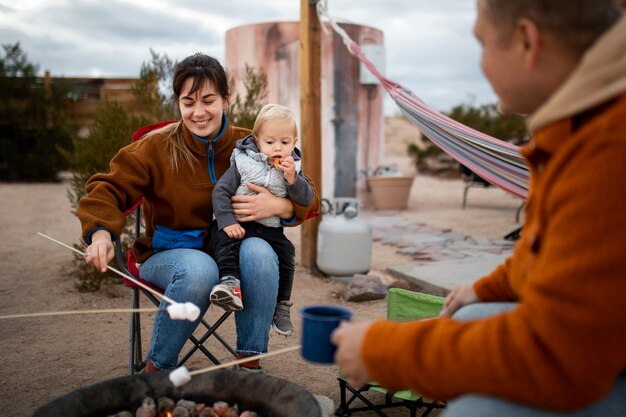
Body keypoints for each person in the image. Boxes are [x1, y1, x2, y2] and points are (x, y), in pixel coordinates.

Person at [332, 1, 626, 416]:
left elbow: (557, 356)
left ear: (527, 41)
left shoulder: (608, 148)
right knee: (474, 315)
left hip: (587, 362)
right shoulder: (579, 124)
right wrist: (479, 289)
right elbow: (547, 254)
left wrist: (382, 350)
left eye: (483, 43)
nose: (481, 63)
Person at [77, 53, 319, 372]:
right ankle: (157, 372)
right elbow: (106, 189)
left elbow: (310, 192)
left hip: (230, 252)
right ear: (178, 103)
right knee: (200, 270)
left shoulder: (252, 144)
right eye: (188, 101)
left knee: (260, 252)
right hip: (170, 255)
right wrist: (101, 233)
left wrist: (282, 205)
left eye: (208, 100)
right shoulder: (156, 147)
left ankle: (249, 365)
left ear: (225, 100)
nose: (199, 112)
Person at [209, 103, 313, 337]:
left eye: (285, 143)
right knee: (223, 237)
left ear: (294, 142)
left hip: (269, 227)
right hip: (238, 222)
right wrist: (227, 221)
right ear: (257, 140)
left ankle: (282, 306)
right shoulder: (243, 161)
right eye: (270, 142)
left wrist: (292, 179)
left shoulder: (293, 167)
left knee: (287, 254)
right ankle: (229, 284)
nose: (277, 148)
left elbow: (307, 199)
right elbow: (220, 192)